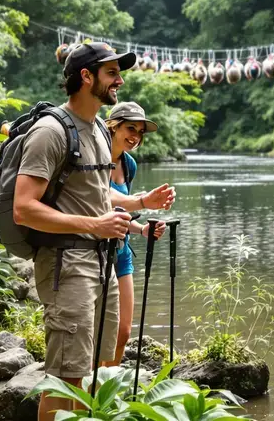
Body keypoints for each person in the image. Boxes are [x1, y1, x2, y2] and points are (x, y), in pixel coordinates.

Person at [12, 42, 168, 421]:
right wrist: (95, 225)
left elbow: (99, 195)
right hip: (67, 265)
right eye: (112, 72)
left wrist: (138, 205)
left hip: (102, 264)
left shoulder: (99, 129)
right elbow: (23, 208)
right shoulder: (50, 132)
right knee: (64, 377)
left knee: (94, 369)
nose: (120, 79)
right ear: (86, 76)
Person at [102, 102, 175, 367]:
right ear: (114, 126)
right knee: (98, 332)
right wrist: (143, 200)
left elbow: (121, 209)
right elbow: (103, 199)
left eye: (140, 131)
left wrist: (142, 229)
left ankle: (104, 392)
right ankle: (85, 391)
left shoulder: (129, 164)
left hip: (121, 251)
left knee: (123, 331)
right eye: (130, 128)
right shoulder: (95, 157)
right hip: (94, 251)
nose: (135, 136)